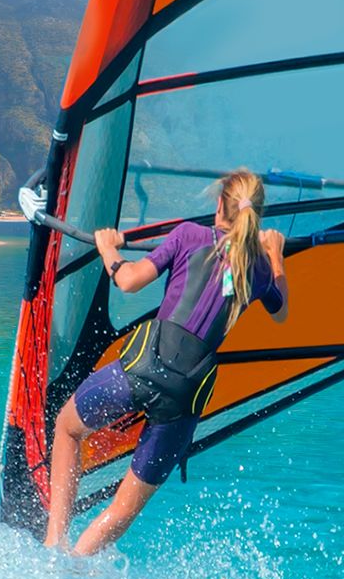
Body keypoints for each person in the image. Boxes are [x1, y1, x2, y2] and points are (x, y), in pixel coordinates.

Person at [43, 168, 288, 553]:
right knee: (124, 507)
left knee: (67, 429)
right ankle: (76, 561)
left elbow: (128, 281)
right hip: (184, 397)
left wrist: (109, 248)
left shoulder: (188, 235)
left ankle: (54, 545)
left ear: (220, 203)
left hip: (142, 370)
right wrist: (276, 257)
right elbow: (281, 309)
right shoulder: (256, 266)